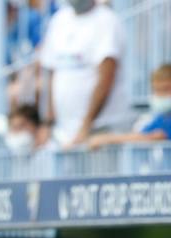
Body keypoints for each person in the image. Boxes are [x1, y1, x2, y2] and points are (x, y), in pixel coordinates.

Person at [39, 0, 126, 147]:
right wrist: (48, 123)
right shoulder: (59, 20)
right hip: (63, 132)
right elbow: (51, 73)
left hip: (100, 132)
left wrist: (86, 125)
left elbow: (106, 79)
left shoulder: (107, 21)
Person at [87, 63, 171, 148]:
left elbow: (152, 138)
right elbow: (140, 135)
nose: (161, 95)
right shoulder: (162, 117)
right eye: (157, 90)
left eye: (167, 89)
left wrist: (108, 139)